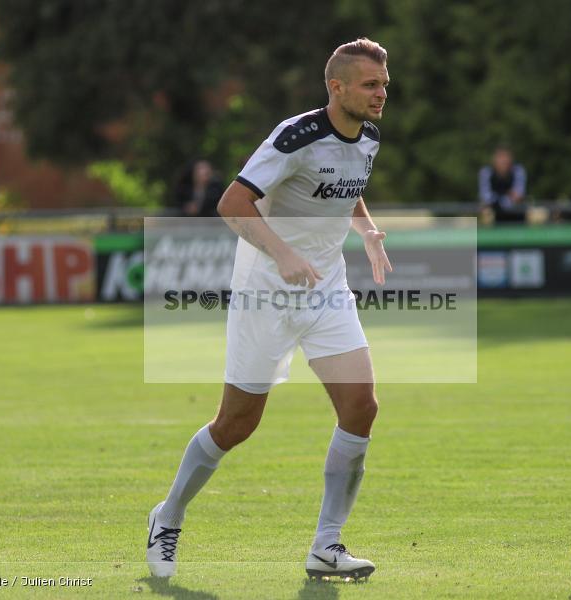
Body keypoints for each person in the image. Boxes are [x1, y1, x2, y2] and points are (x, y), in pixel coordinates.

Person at [146, 38, 392, 582]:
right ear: (337, 88)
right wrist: (282, 254)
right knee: (237, 423)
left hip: (327, 290)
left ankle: (327, 545)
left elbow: (344, 188)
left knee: (361, 408)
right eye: (370, 85)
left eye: (384, 86)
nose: (380, 95)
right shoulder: (295, 135)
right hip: (267, 290)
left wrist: (367, 229)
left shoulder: (369, 136)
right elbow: (232, 202)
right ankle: (168, 516)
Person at [479, 146, 527, 223]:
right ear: (494, 159)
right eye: (500, 157)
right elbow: (485, 197)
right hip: (494, 219)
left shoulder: (518, 171)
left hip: (517, 218)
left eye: (506, 157)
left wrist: (497, 200)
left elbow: (518, 195)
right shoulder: (486, 172)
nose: (503, 161)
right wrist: (506, 197)